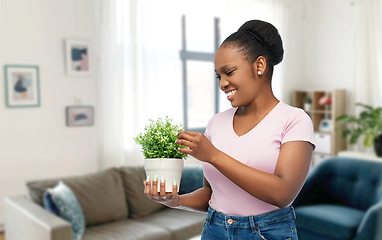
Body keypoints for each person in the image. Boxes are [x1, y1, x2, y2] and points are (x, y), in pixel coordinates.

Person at [144, 19, 315, 240]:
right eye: (218, 76)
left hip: (266, 232)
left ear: (259, 66)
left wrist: (213, 155)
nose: (222, 83)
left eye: (229, 72)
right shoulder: (216, 122)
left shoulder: (294, 120)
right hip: (214, 229)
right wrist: (175, 201)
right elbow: (212, 194)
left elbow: (282, 193)